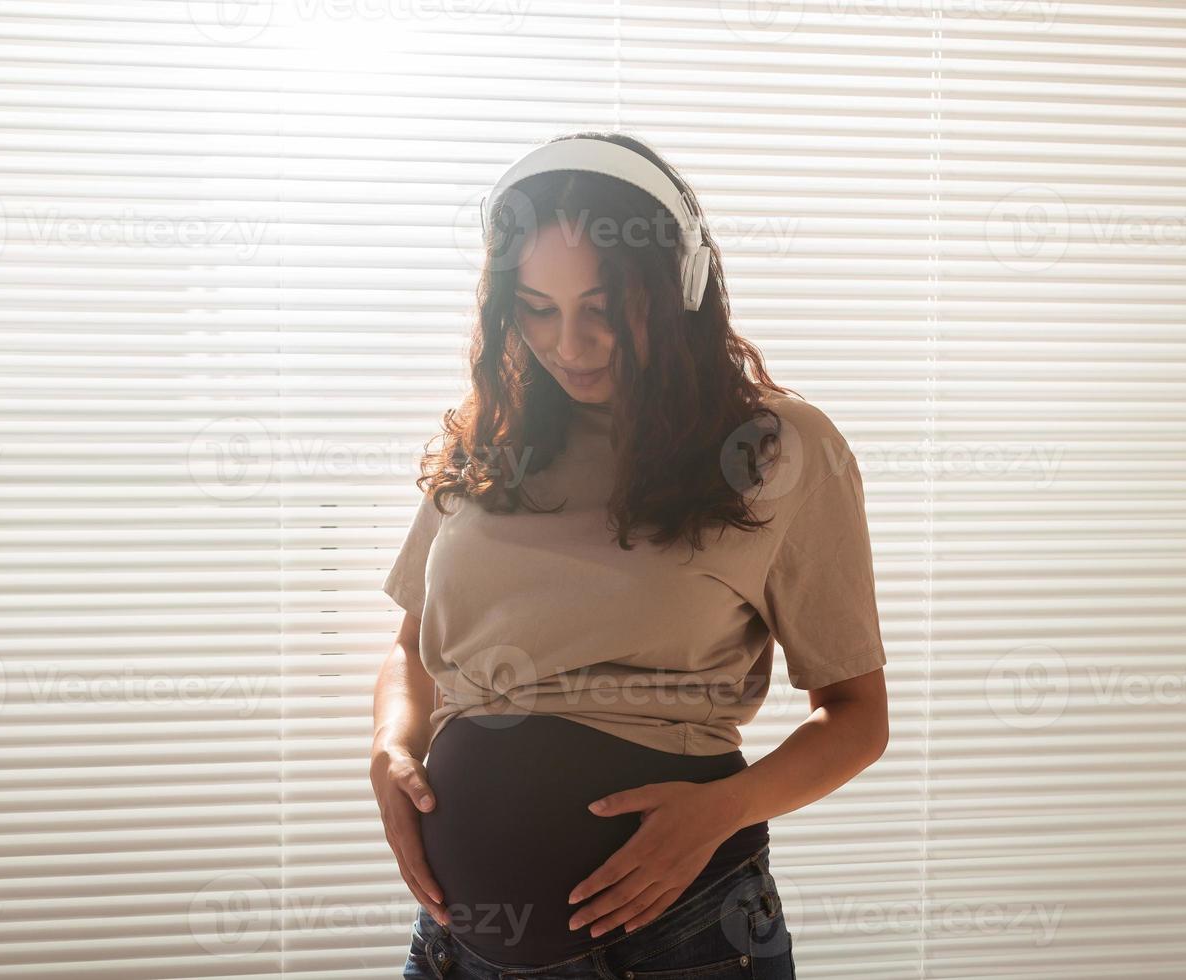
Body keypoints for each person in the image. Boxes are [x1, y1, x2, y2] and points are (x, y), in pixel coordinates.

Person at [371, 131, 889, 979]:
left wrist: (723, 810)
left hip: (680, 943)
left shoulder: (778, 448)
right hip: (454, 949)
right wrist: (392, 746)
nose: (567, 344)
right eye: (537, 307)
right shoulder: (496, 438)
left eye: (602, 309)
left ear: (680, 286)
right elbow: (409, 647)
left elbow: (858, 717)